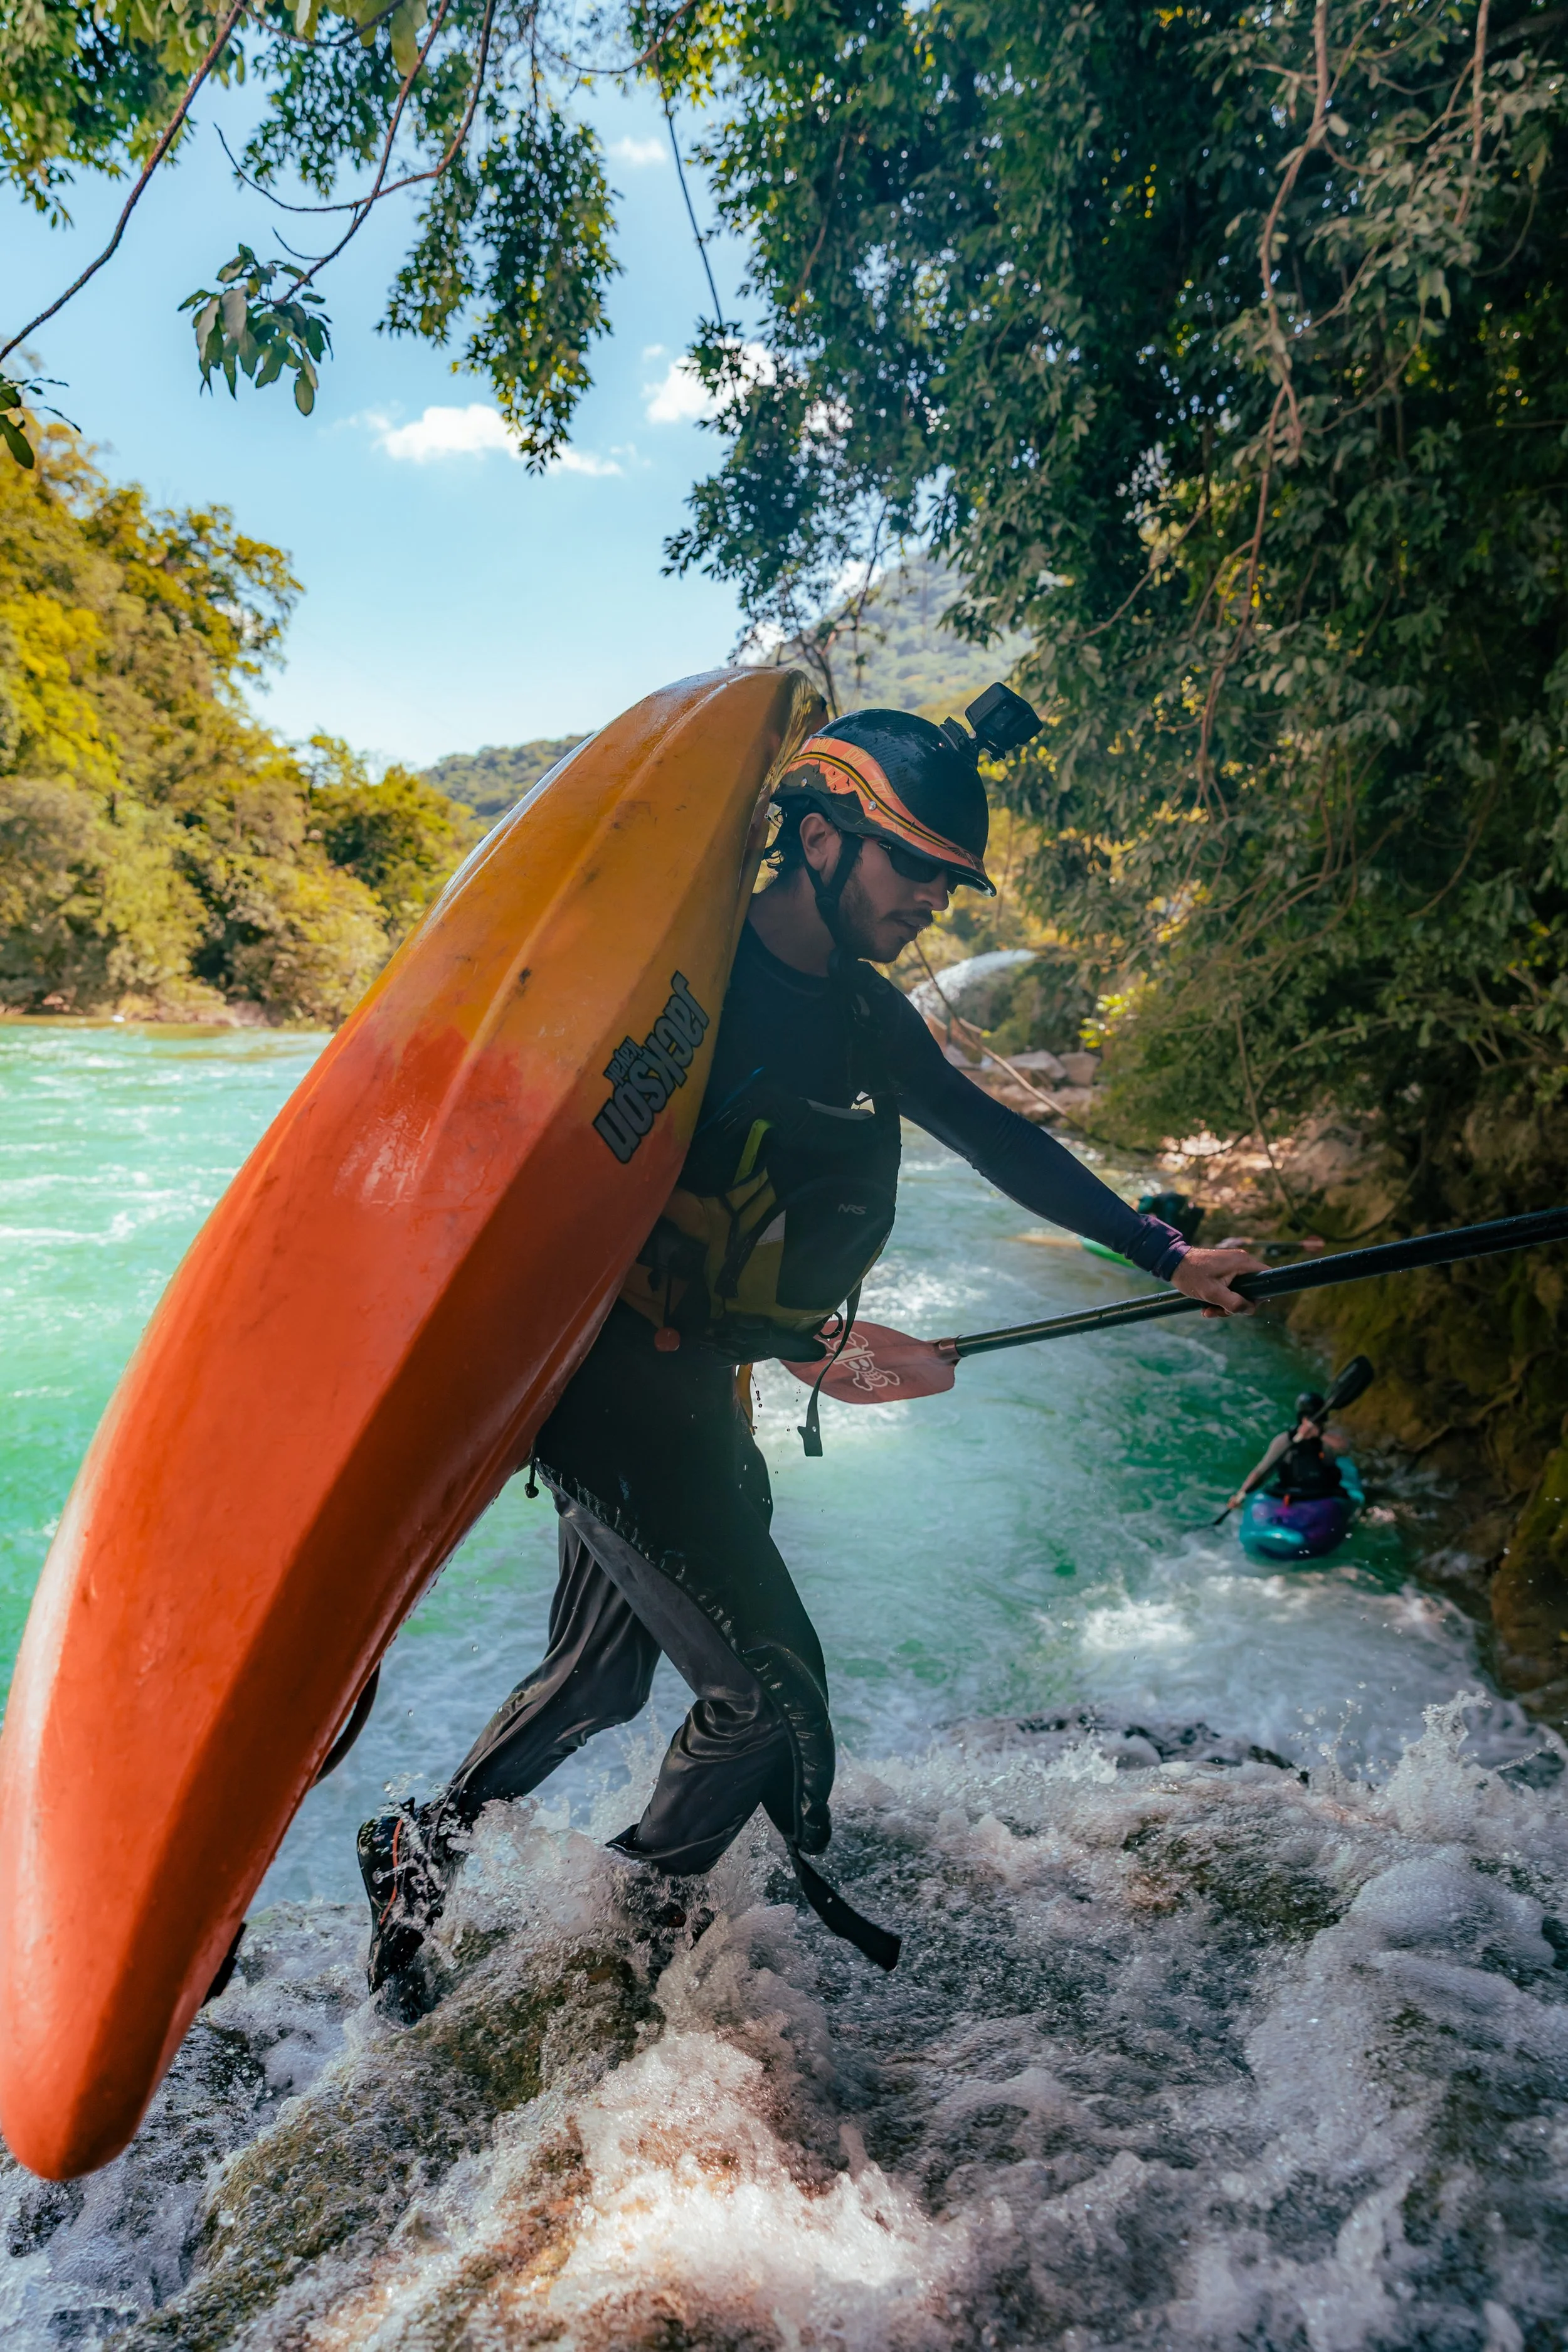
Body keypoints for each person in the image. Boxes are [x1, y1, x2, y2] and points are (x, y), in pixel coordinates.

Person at [358, 685, 1266, 2008]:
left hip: (700, 1389)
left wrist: (1165, 1253)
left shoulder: (862, 1017)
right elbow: (519, 1144)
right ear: (824, 838)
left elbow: (995, 1137)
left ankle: (420, 1846)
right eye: (916, 867)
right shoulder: (680, 978)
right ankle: (619, 1940)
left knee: (600, 1677)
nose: (933, 901)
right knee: (770, 1697)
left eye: (948, 880)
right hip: (605, 1394)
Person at [1229, 1391, 1348, 1513]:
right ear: (1302, 1418)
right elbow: (1261, 1472)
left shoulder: (1328, 1439)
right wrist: (1241, 1494)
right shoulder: (1285, 1441)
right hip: (1291, 1495)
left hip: (1323, 1495)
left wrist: (1319, 1434)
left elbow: (1345, 1448)